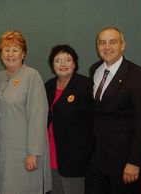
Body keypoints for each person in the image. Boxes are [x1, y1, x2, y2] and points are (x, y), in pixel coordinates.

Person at [85, 27, 141, 194]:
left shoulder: (139, 76)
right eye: (102, 42)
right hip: (98, 159)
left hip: (125, 163)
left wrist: (135, 162)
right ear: (97, 46)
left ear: (123, 45)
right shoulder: (95, 70)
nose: (107, 47)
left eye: (113, 42)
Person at [0, 30, 51, 194]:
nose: (10, 54)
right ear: (0, 53)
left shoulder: (32, 76)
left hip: (24, 154)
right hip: (3, 153)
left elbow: (38, 116)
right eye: (6, 49)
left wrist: (33, 153)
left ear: (23, 53)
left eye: (15, 49)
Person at [45, 45, 95, 194]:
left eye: (67, 60)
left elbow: (94, 122)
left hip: (76, 158)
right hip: (51, 154)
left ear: (74, 64)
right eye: (58, 60)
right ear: (52, 65)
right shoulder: (48, 86)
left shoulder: (85, 85)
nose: (63, 64)